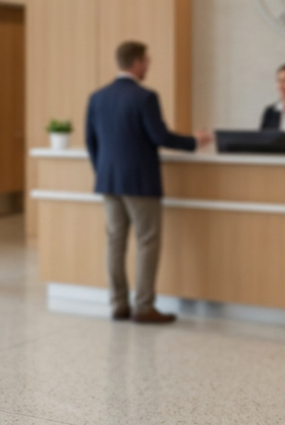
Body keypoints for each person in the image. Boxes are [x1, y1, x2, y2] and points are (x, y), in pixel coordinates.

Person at [85, 41, 213, 323]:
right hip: (140, 181)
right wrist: (194, 141)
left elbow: (90, 142)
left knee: (115, 243)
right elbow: (160, 136)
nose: (148, 66)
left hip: (108, 181)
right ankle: (143, 307)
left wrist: (103, 171)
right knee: (147, 241)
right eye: (147, 61)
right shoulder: (145, 97)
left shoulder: (98, 97)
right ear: (137, 63)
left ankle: (119, 303)